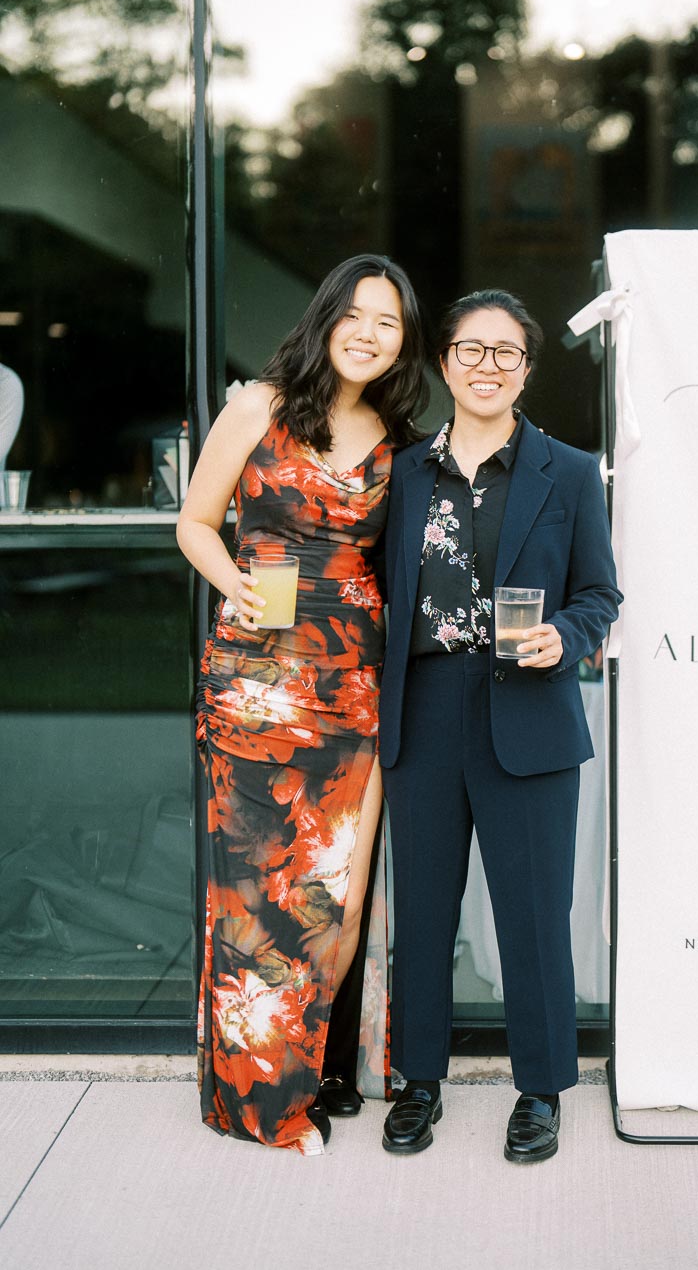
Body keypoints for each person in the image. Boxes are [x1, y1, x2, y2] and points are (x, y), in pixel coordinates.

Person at [177, 254, 426, 1155]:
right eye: (355, 313)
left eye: (389, 321)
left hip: (354, 690)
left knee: (333, 896)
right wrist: (233, 584)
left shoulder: (399, 440)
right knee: (249, 891)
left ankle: (307, 1069)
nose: (369, 332)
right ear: (326, 318)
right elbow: (194, 521)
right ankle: (258, 1105)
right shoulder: (259, 407)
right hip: (255, 681)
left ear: (405, 340)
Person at [378, 289, 622, 1163]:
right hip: (426, 709)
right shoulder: (402, 473)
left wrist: (571, 634)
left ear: (526, 368)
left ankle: (542, 1090)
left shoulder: (569, 470)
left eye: (506, 352)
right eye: (470, 350)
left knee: (533, 916)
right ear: (445, 363)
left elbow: (602, 592)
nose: (487, 366)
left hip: (530, 712)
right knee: (427, 912)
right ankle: (417, 1081)